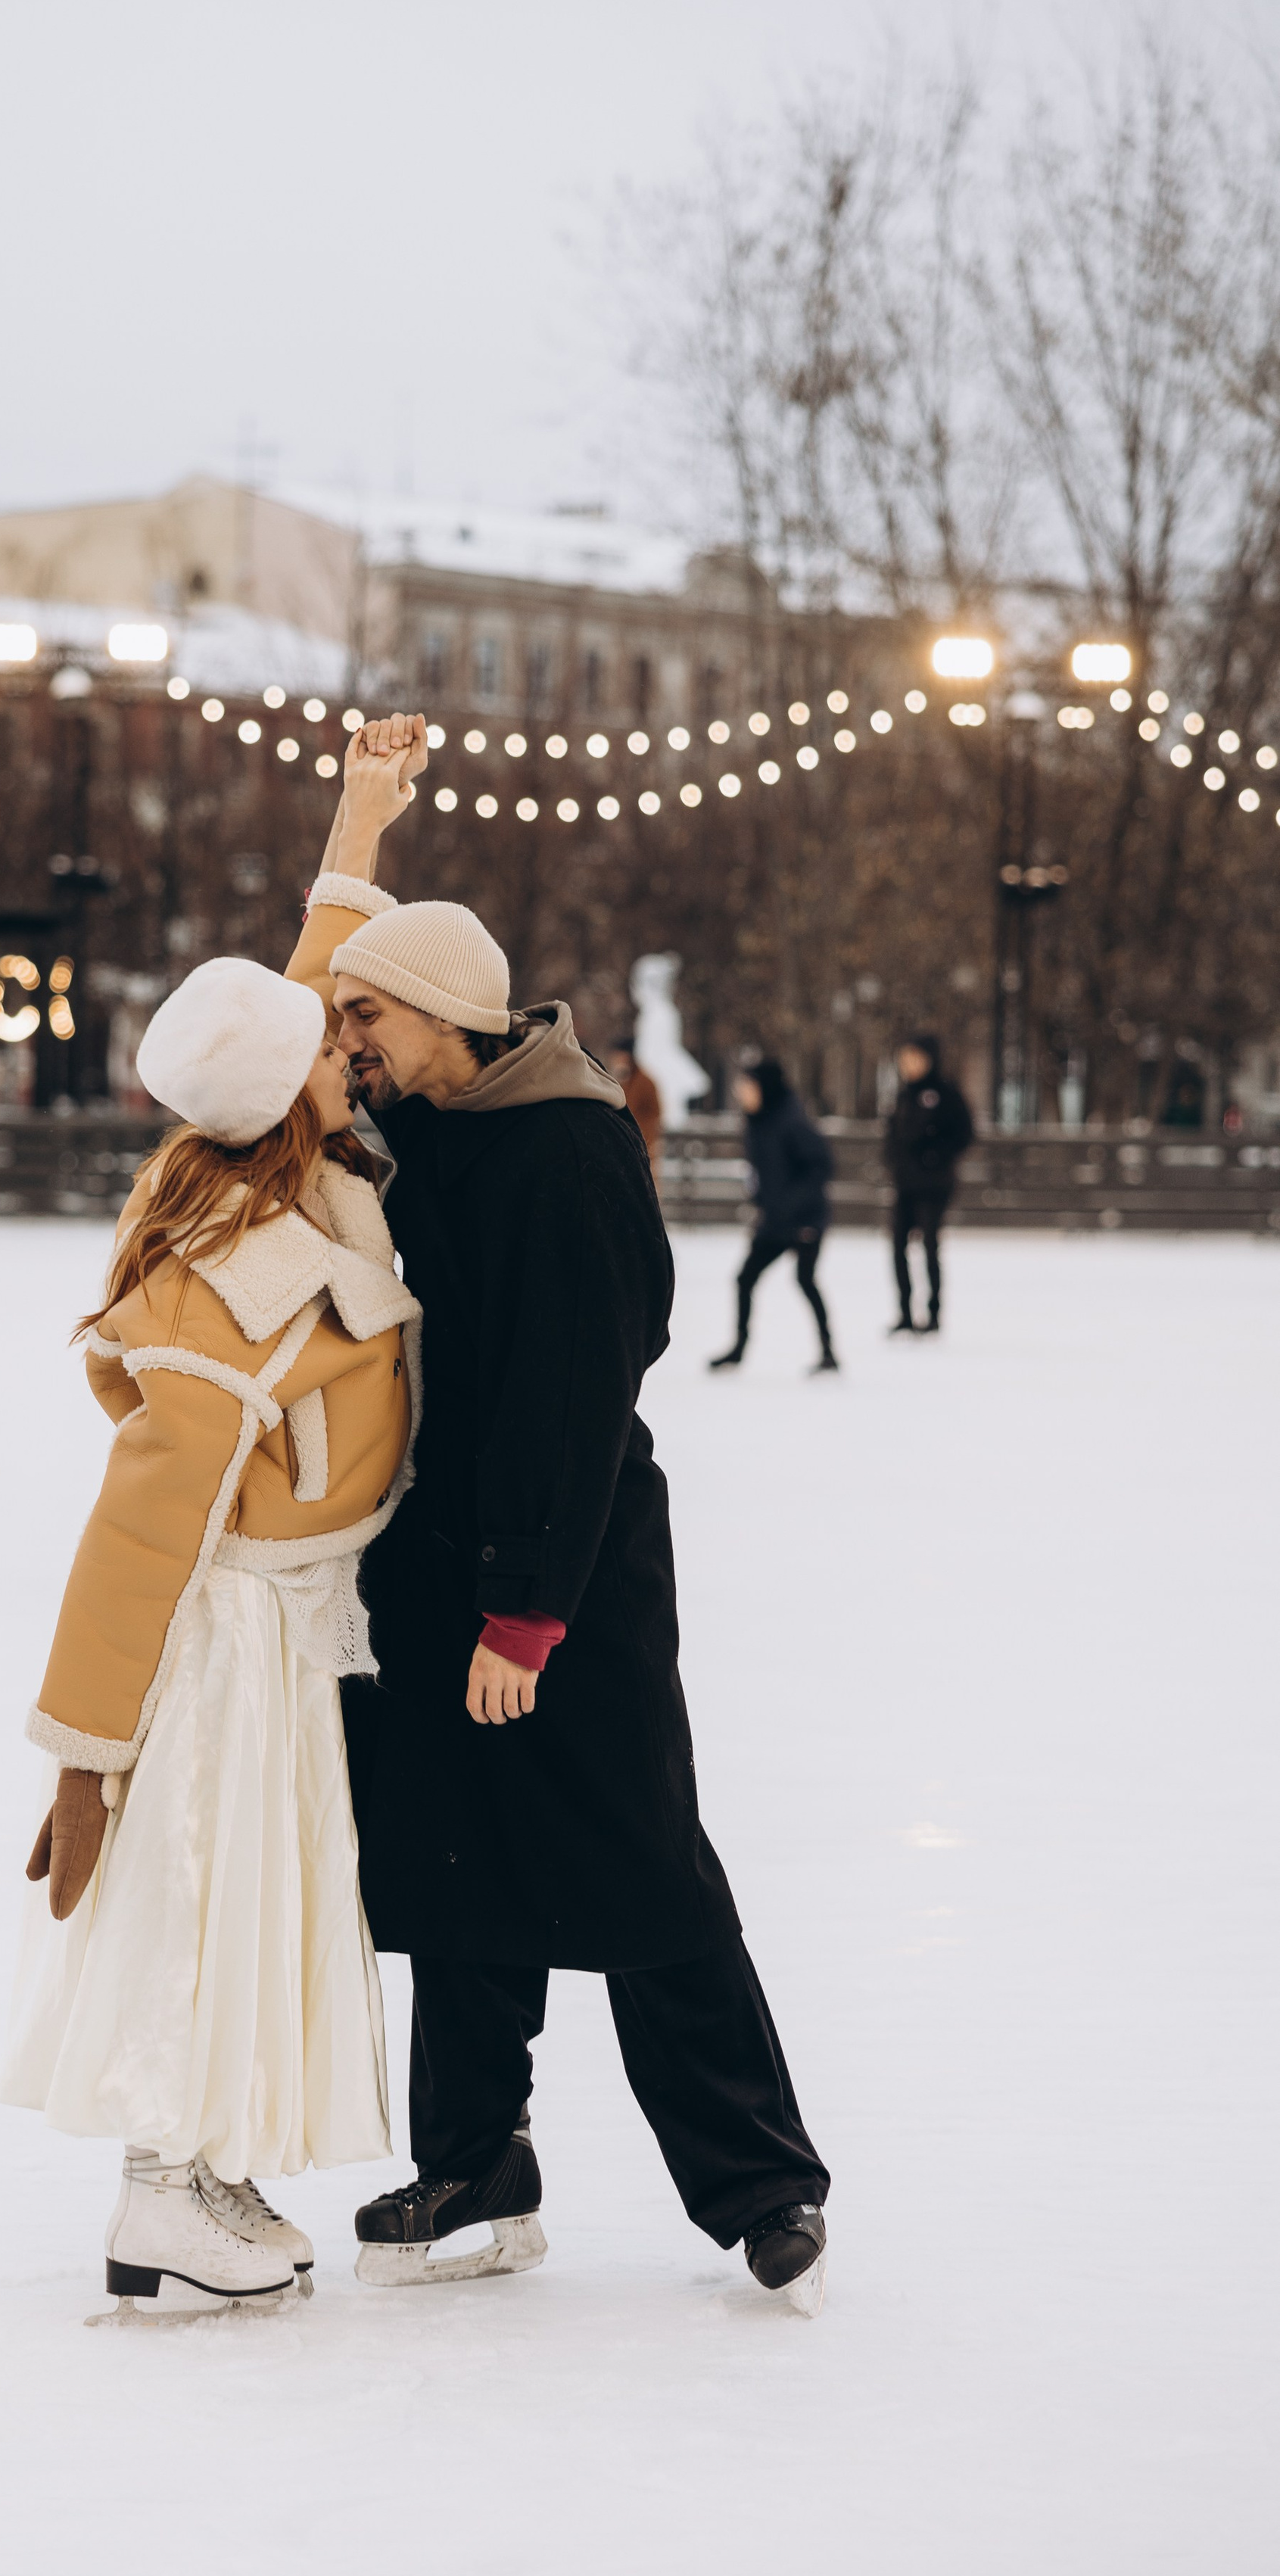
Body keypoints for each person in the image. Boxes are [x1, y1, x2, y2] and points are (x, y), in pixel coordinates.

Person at [283, 722, 830, 2313]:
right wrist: (356, 832)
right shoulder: (431, 1130)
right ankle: (475, 2162)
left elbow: (578, 1393)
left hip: (563, 1563)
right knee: (456, 1864)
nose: (348, 1040)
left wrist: (526, 1612)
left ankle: (760, 2182)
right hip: (432, 1557)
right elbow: (284, 1057)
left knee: (637, 1866)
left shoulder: (570, 1147)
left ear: (445, 1014)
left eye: (367, 1014)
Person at [0, 956, 419, 2320]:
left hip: (286, 1629)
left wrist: (357, 847)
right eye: (326, 1046)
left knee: (260, 1904)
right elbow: (137, 1533)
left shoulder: (299, 1184)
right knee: (195, 1897)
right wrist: (86, 1752)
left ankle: (210, 2168)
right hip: (222, 1643)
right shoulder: (226, 1275)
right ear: (283, 1088)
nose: (346, 1051)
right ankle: (157, 2189)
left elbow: (289, 995)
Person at [708, 1060, 838, 1375]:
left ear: (763, 1088)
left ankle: (829, 1353)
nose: (740, 1092)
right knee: (745, 1279)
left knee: (805, 1280)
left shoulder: (791, 1121)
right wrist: (762, 1203)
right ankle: (738, 1348)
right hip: (775, 1220)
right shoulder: (757, 1122)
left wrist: (799, 1214)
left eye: (747, 1086)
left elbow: (821, 1167)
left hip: (805, 1220)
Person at [885, 1033, 974, 1334]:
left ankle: (934, 1313)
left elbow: (964, 1133)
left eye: (914, 1058)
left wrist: (936, 1157)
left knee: (930, 1246)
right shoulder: (904, 1096)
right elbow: (893, 1135)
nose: (908, 1064)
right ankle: (905, 1313)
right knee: (898, 1246)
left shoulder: (946, 1093)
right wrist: (893, 1160)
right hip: (906, 1184)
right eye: (905, 1058)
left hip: (935, 1185)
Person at [608, 1038, 665, 1163]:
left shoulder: (644, 1082)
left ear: (628, 1057)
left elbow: (655, 1113)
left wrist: (644, 1137)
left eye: (619, 1056)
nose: (616, 1061)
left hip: (642, 1143)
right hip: (626, 1141)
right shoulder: (620, 1079)